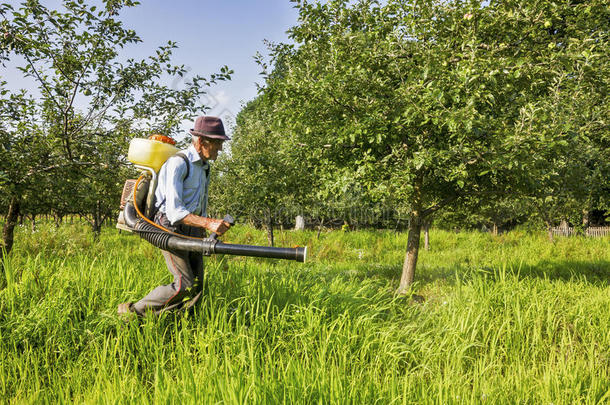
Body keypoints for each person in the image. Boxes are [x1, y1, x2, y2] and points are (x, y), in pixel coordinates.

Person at [118, 116, 231, 316]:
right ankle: (131, 312)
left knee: (197, 285)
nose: (220, 149)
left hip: (192, 226)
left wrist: (205, 226)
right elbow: (174, 211)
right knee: (184, 285)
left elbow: (199, 203)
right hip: (169, 227)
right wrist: (209, 223)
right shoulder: (178, 163)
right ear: (202, 141)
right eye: (217, 143)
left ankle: (178, 322)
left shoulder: (205, 167)